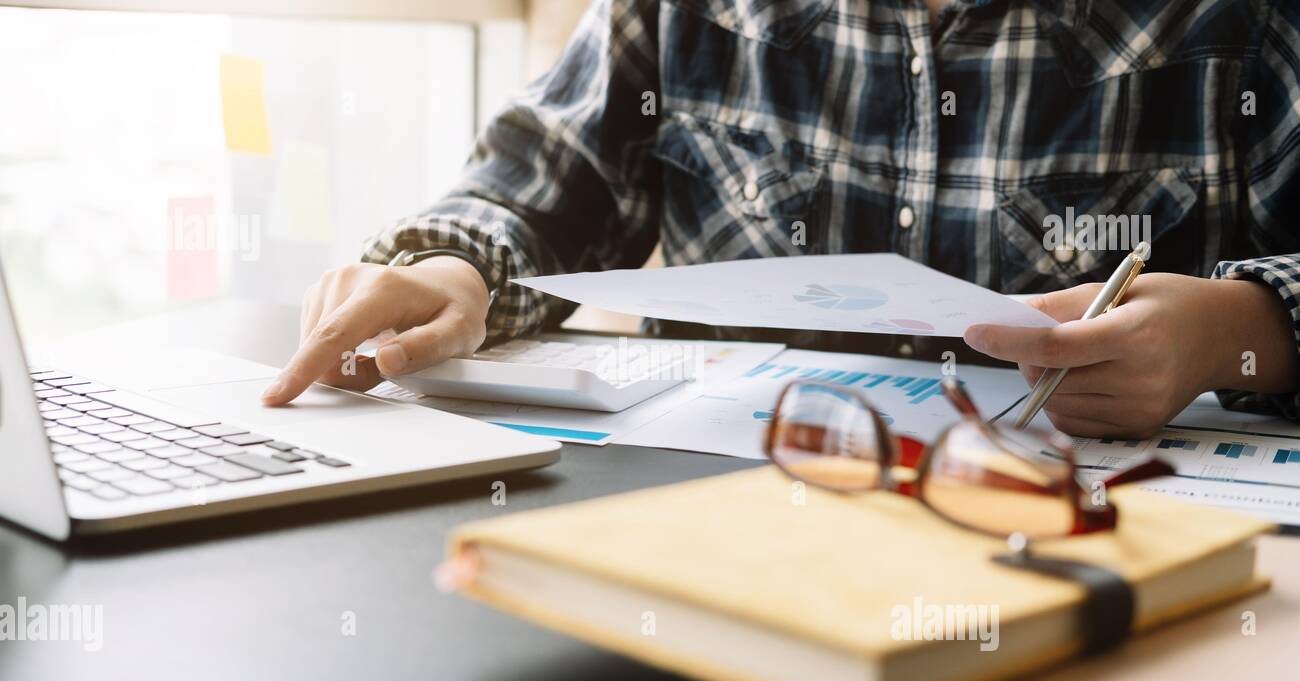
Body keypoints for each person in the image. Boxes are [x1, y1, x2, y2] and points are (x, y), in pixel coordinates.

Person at [262, 0, 1300, 439]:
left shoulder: (1239, 22)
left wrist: (1231, 333)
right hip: (714, 540)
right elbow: (546, 182)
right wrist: (456, 269)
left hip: (1091, 561)